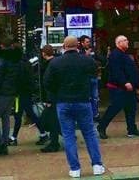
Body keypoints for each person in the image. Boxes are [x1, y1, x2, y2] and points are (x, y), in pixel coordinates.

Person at [44, 36, 105, 178]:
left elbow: (47, 82)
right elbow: (95, 75)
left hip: (63, 102)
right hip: (83, 101)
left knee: (68, 135)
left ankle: (75, 168)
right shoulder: (87, 60)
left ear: (64, 46)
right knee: (89, 133)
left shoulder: (56, 63)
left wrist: (56, 93)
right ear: (77, 45)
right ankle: (97, 165)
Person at [97, 35, 139, 139]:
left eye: (127, 39)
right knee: (115, 108)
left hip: (129, 88)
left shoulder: (124, 54)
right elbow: (117, 71)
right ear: (118, 43)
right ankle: (102, 126)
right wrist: (125, 82)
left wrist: (136, 83)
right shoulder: (115, 55)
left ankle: (132, 129)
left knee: (131, 108)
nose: (127, 41)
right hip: (119, 88)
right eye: (125, 40)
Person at [0, 39, 24, 156]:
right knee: (6, 118)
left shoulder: (2, 58)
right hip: (12, 92)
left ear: (2, 46)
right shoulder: (17, 58)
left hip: (2, 92)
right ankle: (4, 142)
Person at [10, 42, 46, 146]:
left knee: (18, 114)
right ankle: (43, 134)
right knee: (30, 114)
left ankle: (14, 137)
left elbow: (17, 80)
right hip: (26, 92)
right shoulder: (25, 62)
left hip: (20, 93)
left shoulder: (17, 64)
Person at [38, 45, 61, 152]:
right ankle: (58, 137)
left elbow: (48, 83)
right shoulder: (57, 63)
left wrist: (48, 99)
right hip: (57, 96)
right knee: (53, 119)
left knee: (50, 120)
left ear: (44, 53)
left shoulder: (47, 65)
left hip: (51, 97)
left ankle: (54, 142)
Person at [78, 36, 101, 120]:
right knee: (87, 97)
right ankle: (87, 115)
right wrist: (86, 56)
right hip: (85, 78)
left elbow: (99, 59)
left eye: (89, 42)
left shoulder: (92, 51)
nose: (89, 43)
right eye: (87, 42)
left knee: (95, 97)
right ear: (82, 43)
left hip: (94, 76)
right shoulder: (79, 52)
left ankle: (95, 114)